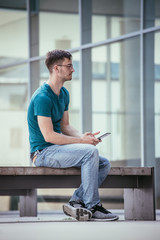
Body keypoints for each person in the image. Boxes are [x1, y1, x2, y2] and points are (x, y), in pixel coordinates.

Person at [27, 49, 119, 221]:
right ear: (56, 68)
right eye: (69, 66)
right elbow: (49, 136)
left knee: (104, 163)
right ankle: (93, 206)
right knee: (90, 152)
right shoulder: (42, 97)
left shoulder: (64, 94)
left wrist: (85, 137)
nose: (73, 69)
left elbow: (66, 126)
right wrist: (82, 142)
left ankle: (77, 201)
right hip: (42, 153)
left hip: (56, 149)